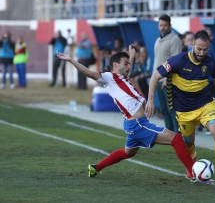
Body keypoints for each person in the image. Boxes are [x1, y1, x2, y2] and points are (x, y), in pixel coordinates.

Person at [56, 46, 197, 183]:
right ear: (115, 65)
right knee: (176, 139)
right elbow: (90, 73)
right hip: (138, 124)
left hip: (132, 124)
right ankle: (194, 173)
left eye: (129, 64)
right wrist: (71, 60)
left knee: (127, 153)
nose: (129, 67)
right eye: (125, 64)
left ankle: (96, 167)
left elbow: (127, 74)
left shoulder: (122, 79)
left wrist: (132, 57)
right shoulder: (109, 78)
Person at [146, 30, 215, 186]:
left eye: (205, 49)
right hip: (184, 110)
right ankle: (193, 165)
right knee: (188, 143)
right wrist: (151, 100)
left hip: (205, 105)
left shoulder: (210, 64)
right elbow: (155, 76)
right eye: (199, 49)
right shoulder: (178, 60)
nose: (202, 53)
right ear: (191, 44)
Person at [152, 14, 183, 133]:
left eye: (165, 25)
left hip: (168, 81)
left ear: (170, 25)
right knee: (164, 110)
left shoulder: (174, 40)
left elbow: (176, 62)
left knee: (172, 110)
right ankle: (169, 135)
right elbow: (157, 61)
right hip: (158, 79)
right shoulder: (158, 40)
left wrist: (167, 79)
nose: (163, 27)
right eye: (160, 25)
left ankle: (178, 136)